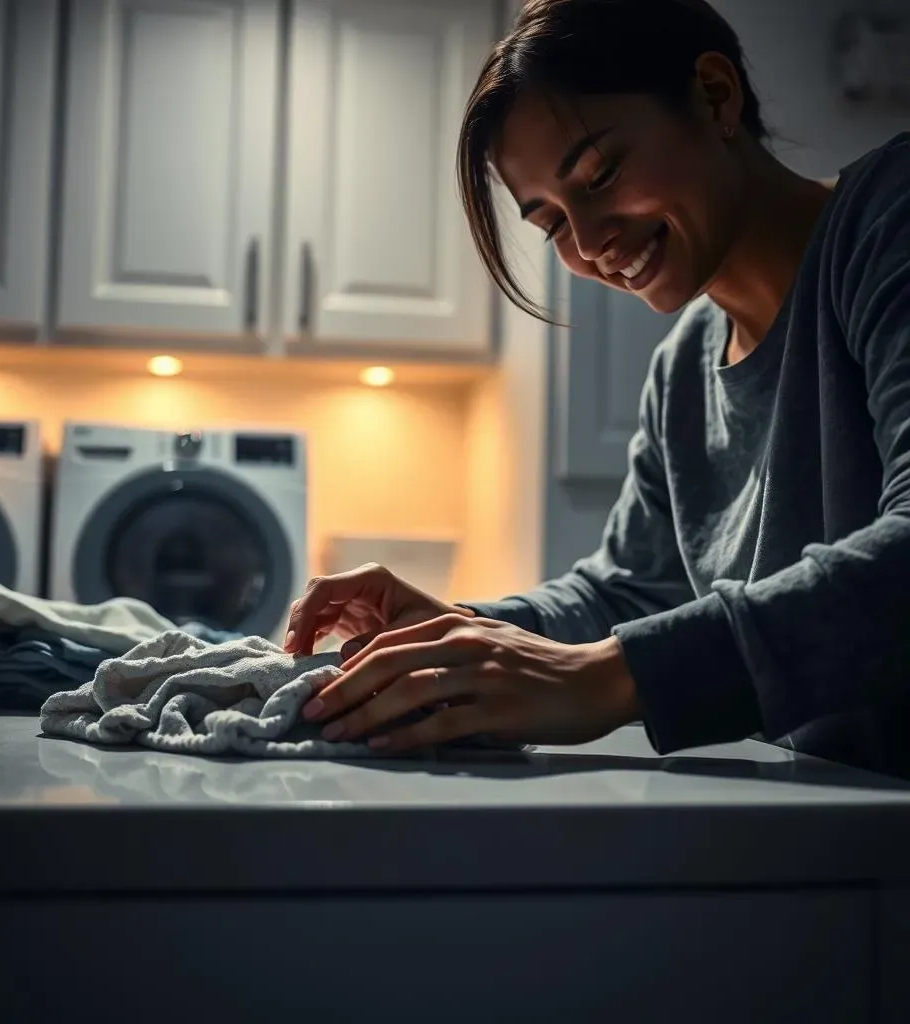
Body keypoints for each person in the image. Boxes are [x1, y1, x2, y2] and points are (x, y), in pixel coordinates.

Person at [284, 0, 910, 777]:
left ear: (716, 96)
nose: (588, 245)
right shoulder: (685, 367)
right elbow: (629, 594)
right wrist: (461, 633)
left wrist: (608, 677)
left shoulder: (890, 221)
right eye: (550, 223)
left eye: (602, 173)